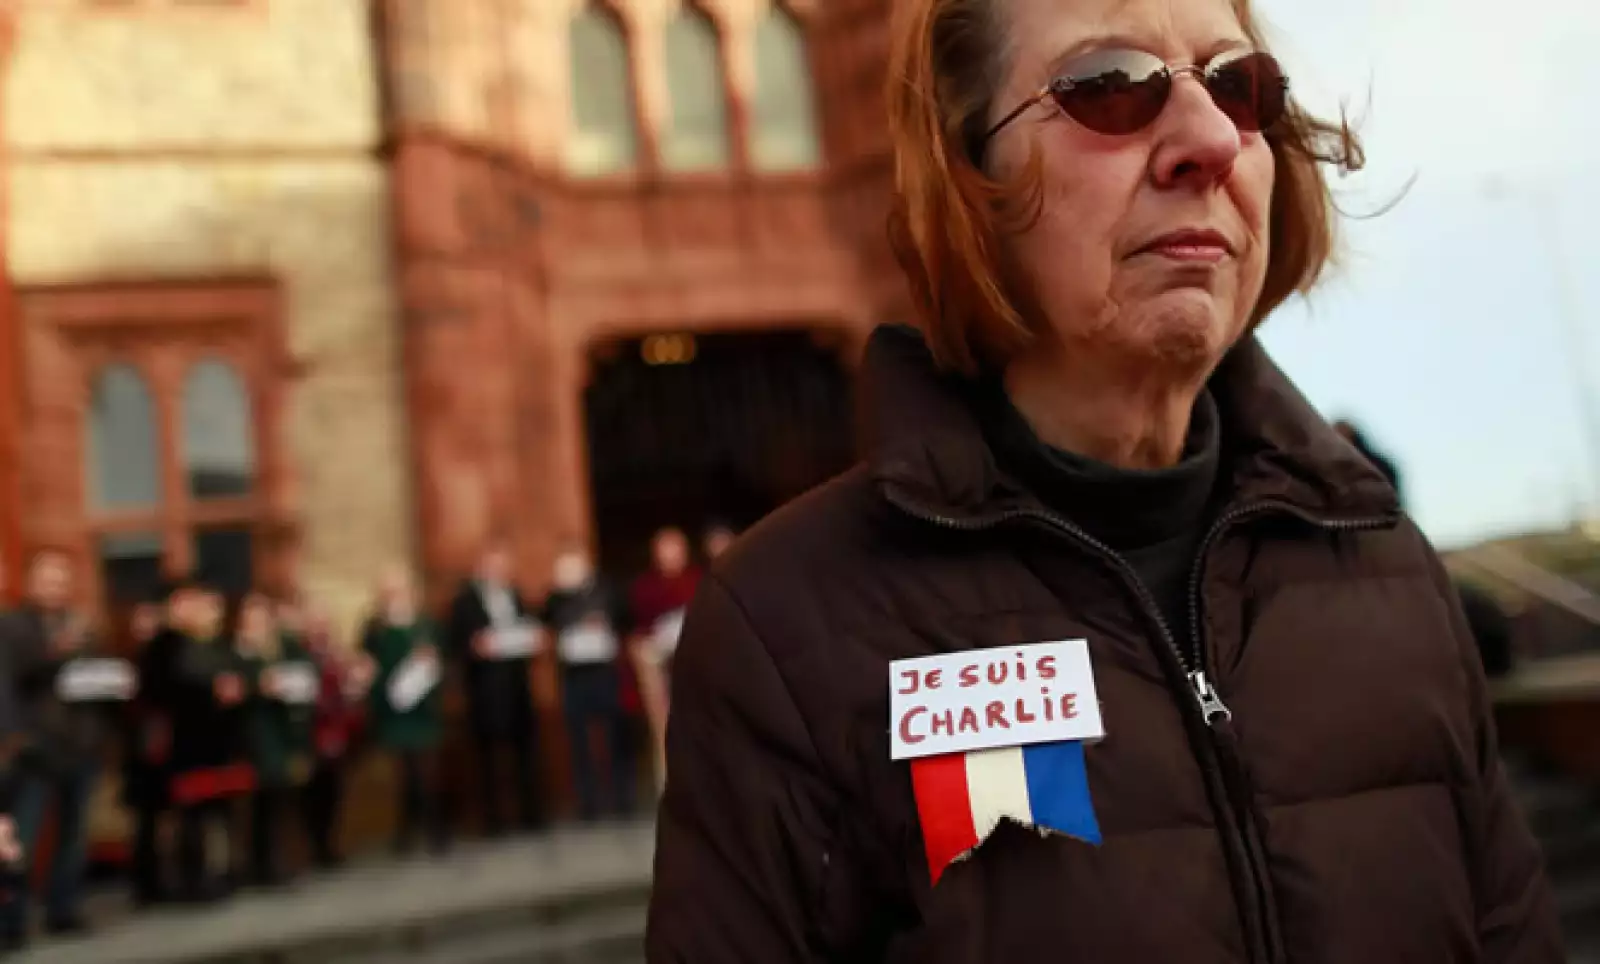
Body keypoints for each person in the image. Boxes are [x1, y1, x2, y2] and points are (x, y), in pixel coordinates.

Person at [646, 0, 1561, 958]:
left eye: (1241, 86)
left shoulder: (1387, 569)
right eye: (1112, 86)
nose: (1209, 139)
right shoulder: (784, 626)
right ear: (968, 174)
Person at [0, 551, 117, 941]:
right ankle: (11, 921)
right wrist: (58, 651)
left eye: (62, 581)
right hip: (35, 748)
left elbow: (96, 673)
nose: (56, 588)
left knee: (73, 835)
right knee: (21, 839)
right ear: (31, 583)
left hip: (80, 744)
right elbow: (17, 677)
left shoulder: (81, 624)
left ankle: (63, 910)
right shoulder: (12, 625)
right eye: (48, 580)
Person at [446, 539, 544, 836]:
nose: (500, 571)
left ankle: (530, 815)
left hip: (517, 687)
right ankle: (493, 820)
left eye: (504, 567)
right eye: (494, 566)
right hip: (485, 691)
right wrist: (475, 646)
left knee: (525, 753)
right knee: (488, 758)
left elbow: (529, 627)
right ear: (481, 568)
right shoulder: (464, 602)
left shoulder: (515, 595)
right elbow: (456, 643)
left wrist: (533, 637)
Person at [165, 580, 252, 902]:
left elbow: (241, 673)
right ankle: (194, 878)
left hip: (222, 742)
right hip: (192, 744)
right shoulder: (176, 647)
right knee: (193, 817)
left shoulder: (222, 646)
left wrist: (237, 688)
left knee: (222, 813)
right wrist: (210, 691)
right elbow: (175, 689)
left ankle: (225, 871)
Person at [542, 550, 633, 821]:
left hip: (604, 672)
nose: (568, 575)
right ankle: (588, 801)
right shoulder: (556, 598)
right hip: (574, 675)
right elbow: (545, 620)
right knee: (579, 740)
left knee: (615, 734)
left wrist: (603, 622)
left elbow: (625, 618)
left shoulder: (607, 590)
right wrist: (561, 593)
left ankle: (622, 797)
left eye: (573, 569)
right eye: (563, 571)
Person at [364, 567, 449, 855]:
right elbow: (369, 670)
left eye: (400, 591)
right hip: (396, 713)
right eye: (389, 592)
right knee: (407, 776)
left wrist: (431, 663)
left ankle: (434, 832)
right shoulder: (375, 630)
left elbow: (442, 661)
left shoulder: (425, 626)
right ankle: (406, 834)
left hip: (424, 710)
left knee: (428, 773)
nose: (395, 597)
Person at [235, 592, 315, 886]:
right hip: (256, 733)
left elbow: (305, 672)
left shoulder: (284, 646)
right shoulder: (240, 652)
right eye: (251, 619)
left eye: (262, 618)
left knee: (283, 797)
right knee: (261, 802)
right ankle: (261, 863)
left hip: (285, 731)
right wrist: (259, 685)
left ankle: (283, 859)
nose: (257, 624)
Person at [628, 528, 701, 790]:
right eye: (665, 550)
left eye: (676, 549)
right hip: (658, 659)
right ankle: (669, 782)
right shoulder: (645, 588)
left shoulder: (700, 581)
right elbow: (637, 630)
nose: (671, 556)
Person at [299, 602, 366, 869]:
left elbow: (345, 687)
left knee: (333, 790)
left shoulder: (335, 655)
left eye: (325, 624)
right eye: (316, 624)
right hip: (312, 731)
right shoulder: (301, 654)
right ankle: (315, 845)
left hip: (338, 731)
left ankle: (329, 842)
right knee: (312, 792)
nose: (321, 629)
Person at [121, 598, 173, 907]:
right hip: (140, 751)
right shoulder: (129, 658)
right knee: (144, 822)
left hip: (159, 749)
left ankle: (157, 880)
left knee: (159, 820)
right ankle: (145, 884)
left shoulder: (160, 658)